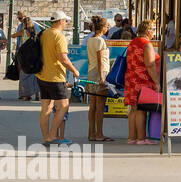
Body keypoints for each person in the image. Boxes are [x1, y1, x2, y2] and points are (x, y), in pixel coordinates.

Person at [37, 11, 78, 146]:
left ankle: (45, 137)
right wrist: (74, 70)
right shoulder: (59, 36)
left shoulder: (44, 34)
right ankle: (52, 136)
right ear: (61, 21)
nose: (66, 23)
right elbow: (63, 58)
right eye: (65, 21)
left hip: (42, 75)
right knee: (63, 106)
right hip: (55, 77)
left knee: (46, 107)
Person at [124, 20, 160, 146]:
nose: (153, 33)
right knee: (141, 110)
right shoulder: (147, 44)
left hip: (130, 79)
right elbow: (150, 65)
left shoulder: (132, 43)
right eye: (153, 30)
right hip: (142, 80)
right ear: (148, 31)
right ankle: (141, 138)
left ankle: (131, 137)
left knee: (133, 109)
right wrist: (157, 82)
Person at [85, 15, 113, 142]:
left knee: (93, 105)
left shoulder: (90, 40)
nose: (107, 28)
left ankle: (91, 132)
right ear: (102, 27)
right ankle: (99, 133)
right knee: (100, 105)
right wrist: (102, 77)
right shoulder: (100, 41)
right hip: (99, 73)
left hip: (91, 72)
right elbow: (101, 60)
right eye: (107, 26)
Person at [17, 17, 40, 101]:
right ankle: (37, 95)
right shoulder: (36, 32)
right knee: (35, 75)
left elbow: (13, 36)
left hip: (25, 56)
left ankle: (27, 95)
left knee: (24, 76)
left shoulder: (23, 32)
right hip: (34, 56)